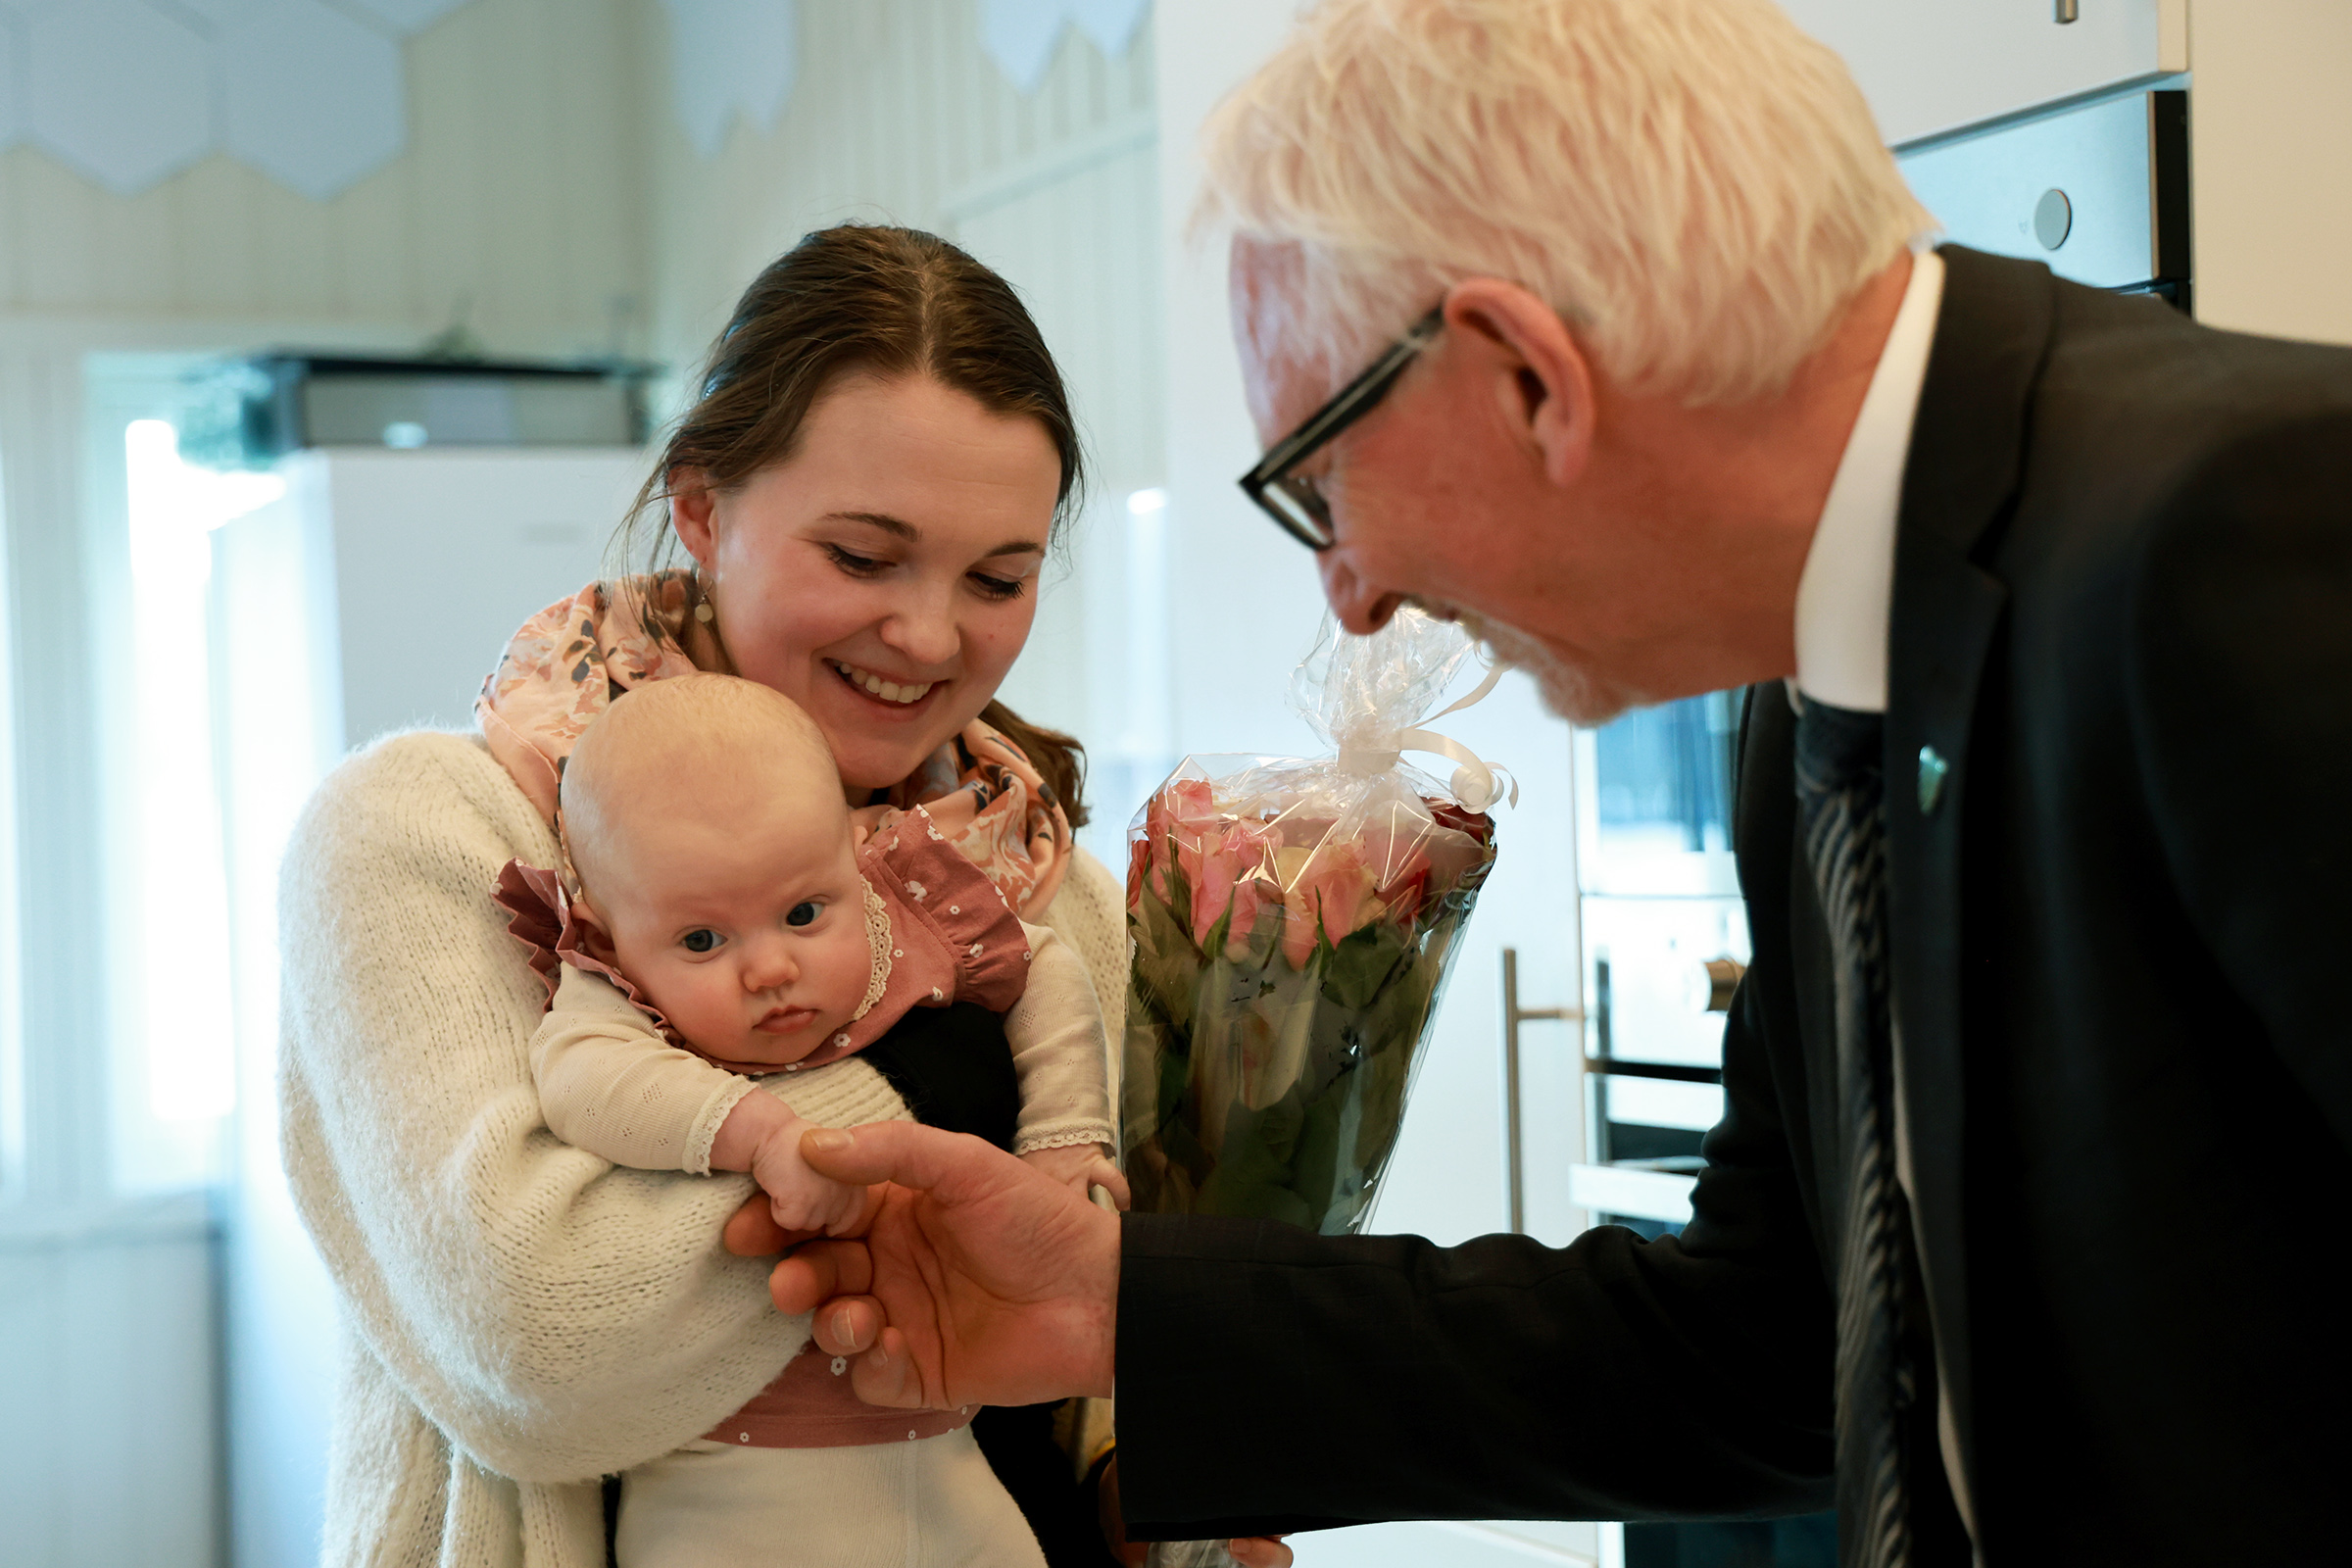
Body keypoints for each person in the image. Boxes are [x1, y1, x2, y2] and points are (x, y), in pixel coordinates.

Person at [760, 3, 2352, 1564]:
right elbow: (1769, 1351)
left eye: (1320, 486)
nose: (1355, 594)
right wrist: (1109, 1308)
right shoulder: (1810, 686)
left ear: (1524, 371)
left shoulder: (2246, 532)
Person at [281, 224, 1279, 1568]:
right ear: (702, 512)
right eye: (865, 558)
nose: (929, 637)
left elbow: (1070, 1333)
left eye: (998, 577)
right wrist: (924, 1070)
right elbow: (531, 1343)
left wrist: (1147, 1492)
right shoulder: (431, 835)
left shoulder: (1051, 893)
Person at [487, 671, 1121, 1565]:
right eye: (703, 940)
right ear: (607, 926)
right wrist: (761, 1133)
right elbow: (583, 1078)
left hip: (944, 1455)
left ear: (851, 857)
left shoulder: (899, 920)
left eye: (802, 911)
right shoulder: (617, 990)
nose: (771, 967)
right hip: (724, 1485)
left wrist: (1065, 1134)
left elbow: (1045, 968)